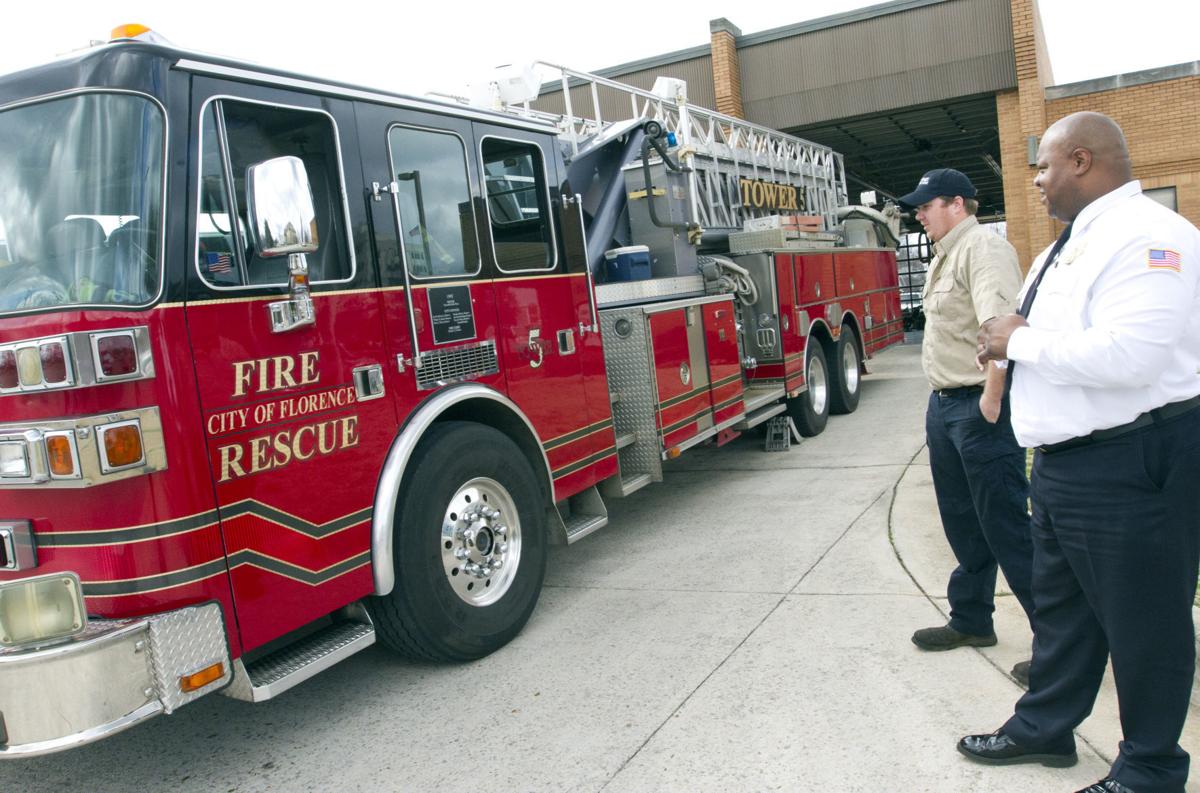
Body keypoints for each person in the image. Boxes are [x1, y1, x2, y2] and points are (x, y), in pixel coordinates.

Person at [964, 111, 1200, 793]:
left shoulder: (1152, 236)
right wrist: (1006, 342)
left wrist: (1019, 341)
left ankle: (1151, 767)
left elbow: (1129, 356)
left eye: (1044, 165)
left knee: (1143, 620)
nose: (1035, 179)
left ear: (1084, 161)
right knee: (1064, 614)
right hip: (1068, 463)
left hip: (1133, 461)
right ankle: (1047, 726)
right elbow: (1046, 332)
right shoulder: (1066, 245)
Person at [899, 168, 1036, 680]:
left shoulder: (983, 248)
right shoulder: (947, 253)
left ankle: (1058, 643)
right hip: (946, 406)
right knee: (963, 521)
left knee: (1006, 525)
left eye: (926, 205)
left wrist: (992, 402)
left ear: (957, 203)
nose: (919, 214)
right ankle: (972, 620)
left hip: (977, 408)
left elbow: (1000, 330)